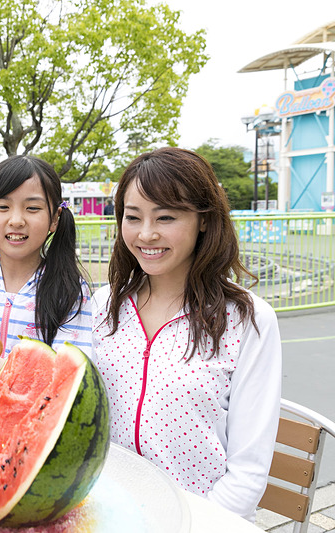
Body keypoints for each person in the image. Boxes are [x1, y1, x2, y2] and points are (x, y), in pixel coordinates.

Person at [91, 147, 281, 521]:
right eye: (133, 217)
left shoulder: (248, 319)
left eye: (166, 217)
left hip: (202, 519)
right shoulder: (103, 306)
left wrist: (195, 522)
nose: (146, 234)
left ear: (204, 220)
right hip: (107, 511)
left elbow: (248, 472)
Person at [0, 155, 93, 404]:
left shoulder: (69, 291)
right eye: (3, 207)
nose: (16, 220)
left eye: (32, 208)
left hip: (31, 430)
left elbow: (67, 375)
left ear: (55, 218)